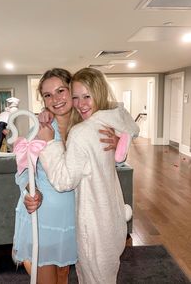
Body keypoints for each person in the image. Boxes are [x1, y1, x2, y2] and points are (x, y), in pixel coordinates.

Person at [13, 68, 119, 284]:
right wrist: (30, 192)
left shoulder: (87, 125)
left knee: (64, 275)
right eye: (47, 95)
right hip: (44, 213)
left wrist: (118, 146)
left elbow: (102, 167)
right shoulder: (40, 128)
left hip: (76, 215)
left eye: (61, 91)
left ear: (72, 90)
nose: (56, 99)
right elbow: (24, 172)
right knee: (46, 275)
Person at [37, 68, 139, 284]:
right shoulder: (110, 121)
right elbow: (130, 125)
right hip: (112, 220)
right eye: (76, 97)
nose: (81, 103)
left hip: (93, 226)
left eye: (87, 96)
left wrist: (48, 144)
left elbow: (63, 181)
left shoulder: (81, 132)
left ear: (99, 94)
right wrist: (122, 141)